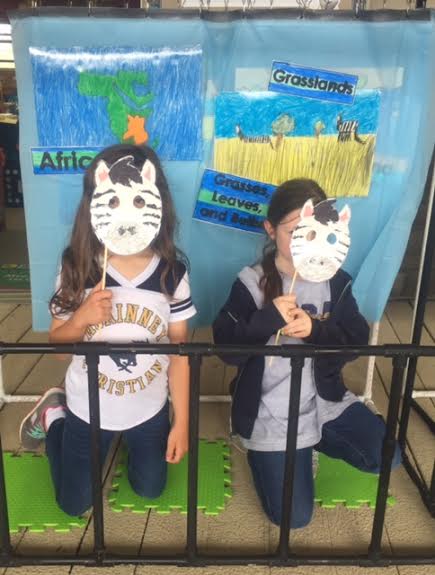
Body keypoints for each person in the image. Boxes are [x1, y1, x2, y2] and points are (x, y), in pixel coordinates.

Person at [213, 178, 401, 528]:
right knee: (294, 518)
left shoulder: (337, 280)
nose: (306, 242)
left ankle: (312, 445)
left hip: (324, 402)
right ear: (270, 230)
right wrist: (268, 319)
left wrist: (316, 330)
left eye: (315, 231)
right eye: (295, 231)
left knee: (386, 456)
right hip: (269, 411)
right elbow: (227, 350)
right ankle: (263, 452)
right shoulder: (251, 282)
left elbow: (356, 340)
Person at [19, 144, 196, 516]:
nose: (126, 214)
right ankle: (55, 418)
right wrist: (81, 317)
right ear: (95, 203)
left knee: (150, 490)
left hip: (148, 408)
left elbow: (181, 357)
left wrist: (181, 422)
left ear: (156, 199)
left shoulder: (172, 274)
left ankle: (130, 441)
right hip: (87, 406)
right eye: (113, 202)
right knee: (73, 504)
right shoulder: (77, 268)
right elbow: (59, 348)